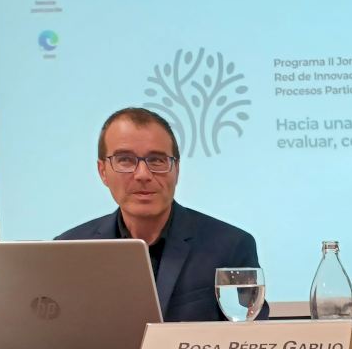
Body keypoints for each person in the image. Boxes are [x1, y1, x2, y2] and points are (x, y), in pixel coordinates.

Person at [57, 107, 268, 322]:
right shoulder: (68, 251)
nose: (143, 175)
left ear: (176, 170)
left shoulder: (230, 246)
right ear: (103, 171)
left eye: (156, 160)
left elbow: (251, 338)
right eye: (125, 160)